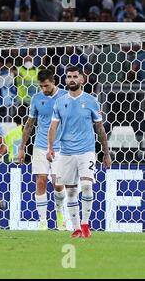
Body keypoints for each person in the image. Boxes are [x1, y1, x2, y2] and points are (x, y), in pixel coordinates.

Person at [47, 66, 111, 238]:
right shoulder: (59, 102)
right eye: (69, 77)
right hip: (66, 151)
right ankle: (75, 228)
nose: (72, 79)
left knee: (87, 186)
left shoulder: (91, 101)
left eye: (75, 76)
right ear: (66, 80)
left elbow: (100, 128)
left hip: (86, 150)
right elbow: (53, 126)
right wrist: (50, 147)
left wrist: (106, 153)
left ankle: (85, 225)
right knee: (71, 192)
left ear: (82, 80)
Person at [18, 69, 67, 231]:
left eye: (46, 86)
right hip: (40, 145)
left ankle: (60, 213)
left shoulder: (65, 97)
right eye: (41, 86)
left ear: (54, 82)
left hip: (61, 146)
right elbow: (29, 124)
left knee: (58, 183)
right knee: (41, 181)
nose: (44, 89)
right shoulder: (37, 99)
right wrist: (22, 147)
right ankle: (43, 222)